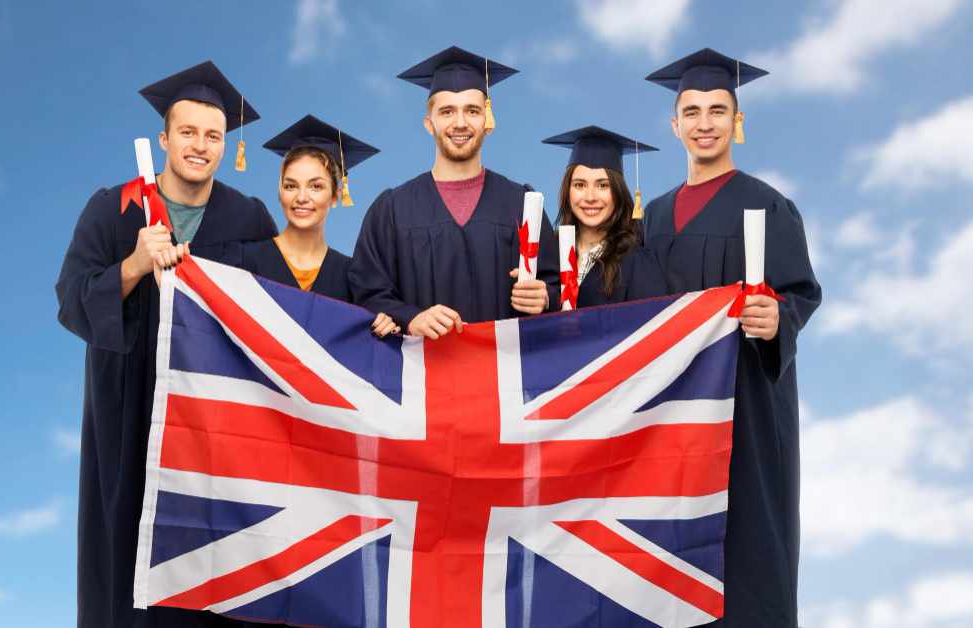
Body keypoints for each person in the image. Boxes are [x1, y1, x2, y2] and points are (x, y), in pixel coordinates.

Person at [55, 60, 277, 627]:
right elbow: (71, 299)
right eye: (188, 132)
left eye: (213, 135)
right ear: (164, 139)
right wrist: (133, 263)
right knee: (128, 556)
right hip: (129, 417)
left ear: (226, 144)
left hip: (216, 426)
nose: (199, 146)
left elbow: (279, 315)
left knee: (218, 557)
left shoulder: (248, 216)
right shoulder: (114, 209)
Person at [642, 48, 822, 627]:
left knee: (746, 535)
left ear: (736, 122)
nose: (704, 123)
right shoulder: (655, 216)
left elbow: (799, 291)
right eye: (691, 112)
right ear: (674, 126)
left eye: (717, 110)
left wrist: (779, 317)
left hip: (744, 405)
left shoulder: (768, 204)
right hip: (666, 412)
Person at [349, 46, 559, 338]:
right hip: (423, 378)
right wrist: (411, 318)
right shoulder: (392, 210)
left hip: (504, 378)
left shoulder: (522, 204)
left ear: (486, 121)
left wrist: (546, 296)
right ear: (428, 123)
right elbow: (367, 294)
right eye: (447, 111)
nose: (460, 123)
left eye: (472, 111)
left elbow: (559, 287)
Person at [239, 114, 398, 336]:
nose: (301, 197)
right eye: (291, 186)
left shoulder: (352, 276)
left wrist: (383, 326)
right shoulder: (245, 261)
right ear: (280, 192)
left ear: (335, 196)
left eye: (315, 186)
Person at [542, 125, 666, 306]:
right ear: (567, 192)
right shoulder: (549, 254)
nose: (590, 197)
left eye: (602, 185)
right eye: (580, 185)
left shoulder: (636, 262)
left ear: (618, 192)